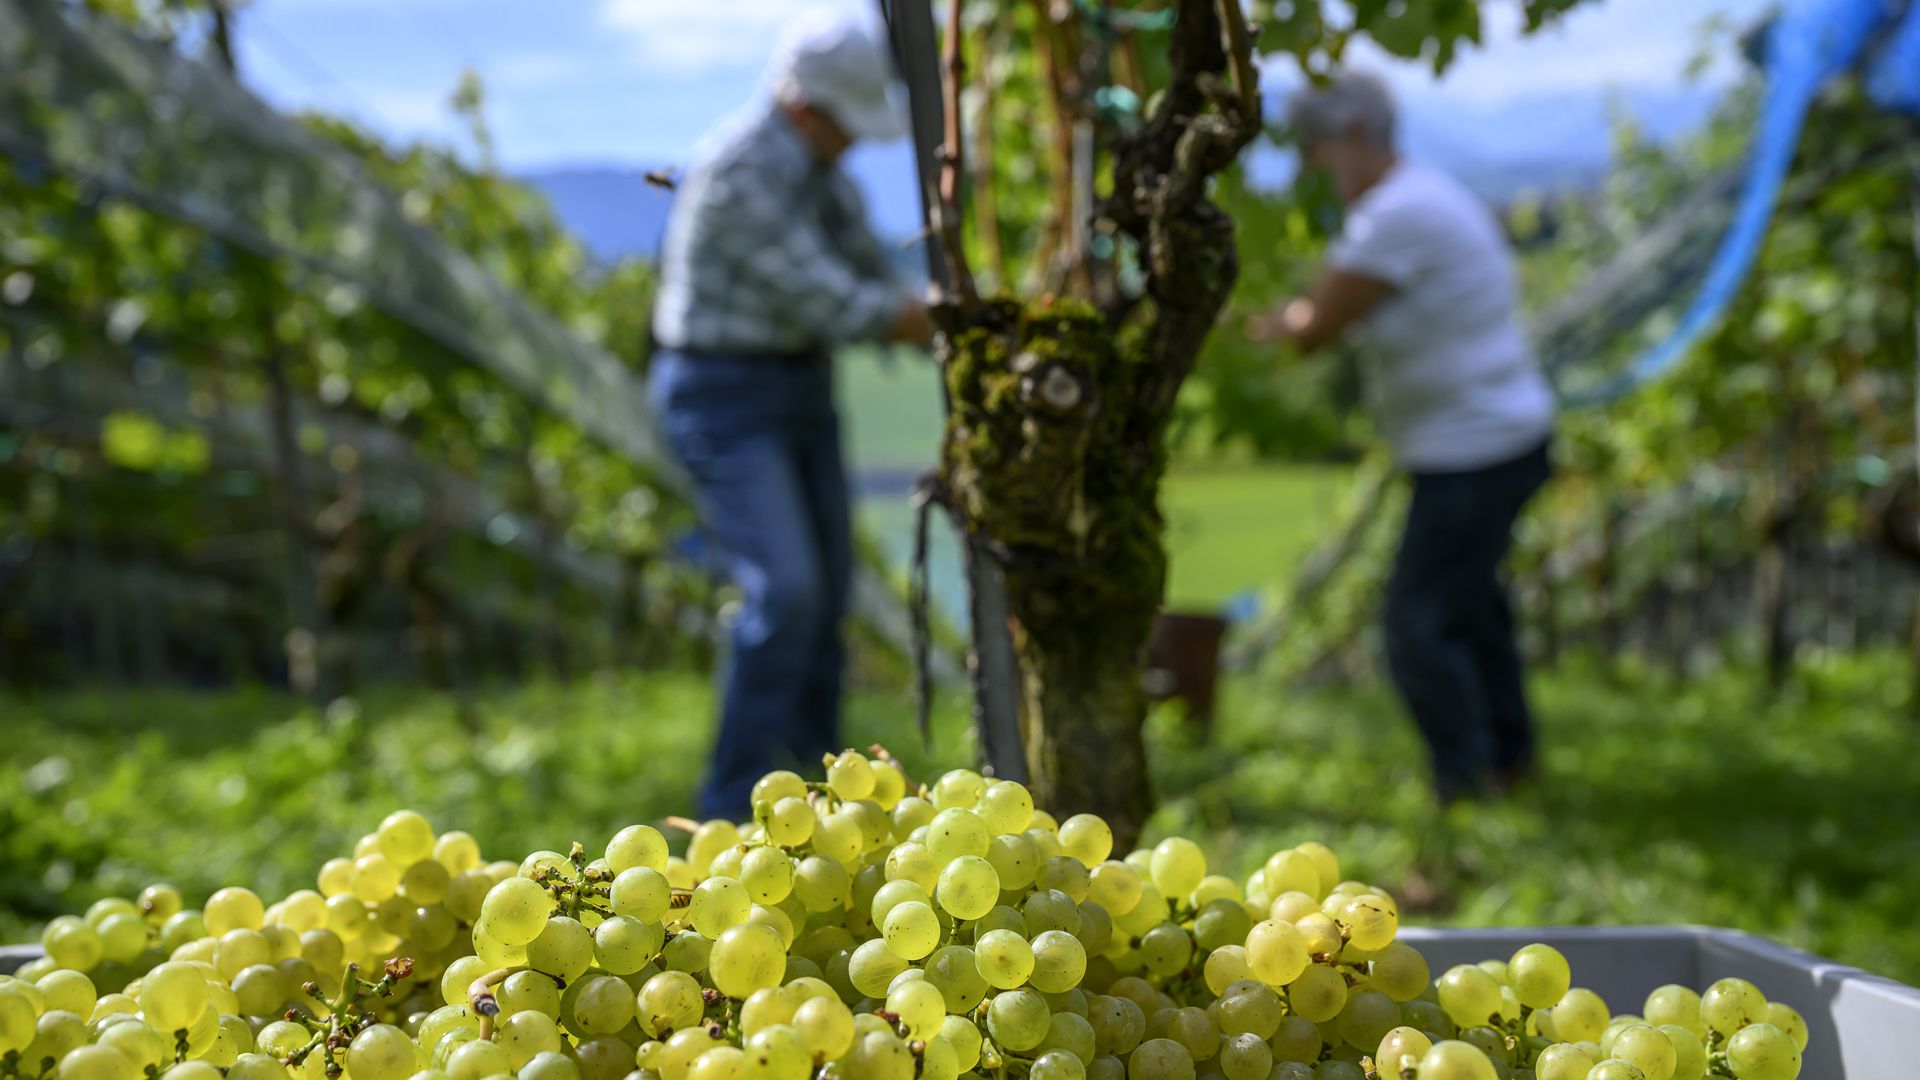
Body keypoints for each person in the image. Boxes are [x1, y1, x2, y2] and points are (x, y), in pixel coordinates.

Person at [649, 10, 934, 821]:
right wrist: (932, 319)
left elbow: (869, 265)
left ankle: (819, 797)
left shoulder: (821, 172)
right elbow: (831, 298)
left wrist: (931, 305)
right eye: (846, 125)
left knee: (829, 591)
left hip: (798, 386)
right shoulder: (741, 173)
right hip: (723, 393)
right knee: (787, 593)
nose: (854, 143)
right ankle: (728, 809)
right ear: (805, 107)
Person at [1251, 71, 1557, 804]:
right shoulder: (1422, 196)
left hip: (1474, 450)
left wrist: (1270, 324)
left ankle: (1465, 783)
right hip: (1495, 439)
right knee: (1471, 607)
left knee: (1416, 622)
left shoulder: (1394, 216)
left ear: (1355, 134)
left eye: (1315, 149)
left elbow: (1317, 329)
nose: (1310, 169)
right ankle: (1508, 761)